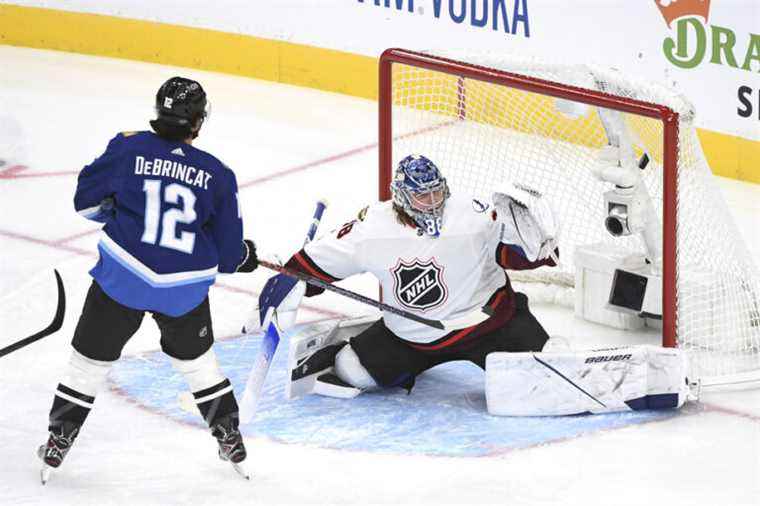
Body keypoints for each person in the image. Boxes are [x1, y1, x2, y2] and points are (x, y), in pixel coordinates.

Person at [39, 77, 258, 481]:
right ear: (198, 122)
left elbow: (85, 203)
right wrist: (244, 254)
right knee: (200, 367)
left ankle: (59, 438)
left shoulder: (127, 147)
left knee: (87, 365)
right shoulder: (217, 173)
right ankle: (228, 433)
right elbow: (228, 257)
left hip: (124, 276)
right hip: (183, 289)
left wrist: (121, 215)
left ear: (159, 111)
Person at [259, 154, 558, 397]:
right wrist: (291, 283)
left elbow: (513, 256)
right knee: (352, 370)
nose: (432, 203)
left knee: (547, 371)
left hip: (490, 326)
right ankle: (342, 348)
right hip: (412, 340)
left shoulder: (473, 214)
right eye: (422, 197)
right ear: (401, 198)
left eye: (436, 193)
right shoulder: (372, 229)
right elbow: (313, 264)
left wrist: (535, 247)